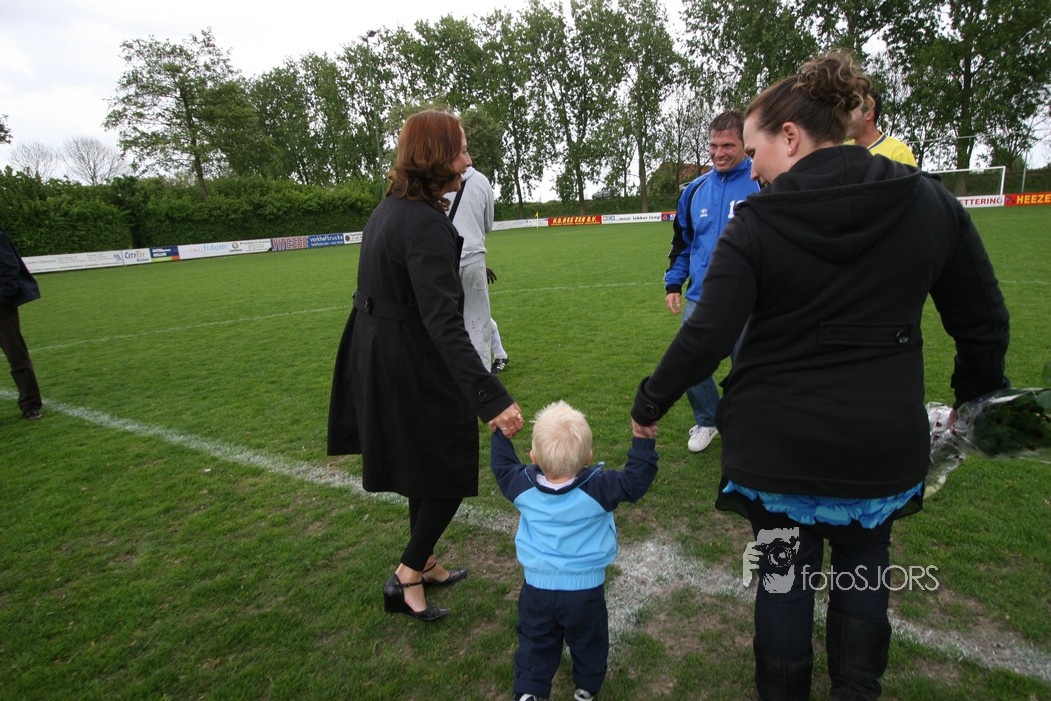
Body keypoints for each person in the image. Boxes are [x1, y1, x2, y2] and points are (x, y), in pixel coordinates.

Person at [631, 51, 1009, 700]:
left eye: (755, 151)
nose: (751, 169)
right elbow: (982, 321)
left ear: (790, 136)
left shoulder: (757, 221)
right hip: (878, 443)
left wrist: (648, 404)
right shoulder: (927, 201)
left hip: (777, 448)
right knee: (864, 571)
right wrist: (973, 404)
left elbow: (705, 336)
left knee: (783, 582)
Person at [328, 109, 524, 622]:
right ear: (437, 156)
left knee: (422, 461)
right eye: (461, 149)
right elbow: (444, 322)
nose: (468, 158)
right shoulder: (423, 223)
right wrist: (491, 398)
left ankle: (427, 559)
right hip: (407, 360)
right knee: (447, 465)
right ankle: (407, 575)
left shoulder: (391, 208)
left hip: (384, 351)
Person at [490, 401, 658, 701]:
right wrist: (642, 439)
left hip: (537, 589)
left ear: (533, 457)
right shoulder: (599, 486)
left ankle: (529, 691)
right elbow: (635, 481)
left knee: (535, 639)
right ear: (589, 458)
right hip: (585, 592)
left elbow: (502, 467)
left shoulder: (521, 484)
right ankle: (586, 688)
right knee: (589, 640)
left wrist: (501, 435)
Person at [664, 110, 760, 453]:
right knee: (689, 361)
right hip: (701, 296)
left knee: (751, 367)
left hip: (752, 298)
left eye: (728, 145)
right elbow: (683, 244)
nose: (719, 153)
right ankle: (708, 420)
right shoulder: (693, 191)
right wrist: (674, 283)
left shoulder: (763, 182)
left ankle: (750, 425)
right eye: (713, 145)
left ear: (745, 144)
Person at [446, 165, 496, 370]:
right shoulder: (482, 181)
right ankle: (483, 379)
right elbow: (488, 225)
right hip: (473, 260)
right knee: (479, 328)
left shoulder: (435, 178)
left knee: (444, 324)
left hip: (443, 260)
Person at [0, 225, 43, 421]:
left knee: (16, 354)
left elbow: (9, 265)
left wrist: (4, 296)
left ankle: (30, 405)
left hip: (2, 306)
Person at [848, 89, 917, 166]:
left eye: (849, 112)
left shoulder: (898, 152)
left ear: (869, 115)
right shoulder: (841, 149)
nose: (843, 117)